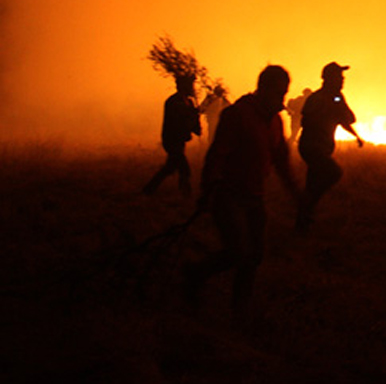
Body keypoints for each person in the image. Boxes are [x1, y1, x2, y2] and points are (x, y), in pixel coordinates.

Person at [182, 65, 301, 318]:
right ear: (263, 89)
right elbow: (217, 155)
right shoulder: (237, 115)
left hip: (254, 197)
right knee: (238, 252)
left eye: (284, 93)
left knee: (255, 255)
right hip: (227, 195)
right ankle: (194, 275)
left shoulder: (275, 122)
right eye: (278, 93)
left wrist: (296, 194)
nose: (281, 100)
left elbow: (281, 160)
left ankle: (239, 310)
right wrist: (208, 190)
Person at [296, 63, 364, 233]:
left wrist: (356, 136)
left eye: (342, 78)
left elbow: (347, 119)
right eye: (339, 78)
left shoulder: (337, 97)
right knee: (334, 172)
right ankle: (306, 204)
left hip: (322, 147)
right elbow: (306, 120)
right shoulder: (317, 98)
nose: (342, 81)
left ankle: (303, 221)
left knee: (312, 183)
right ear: (328, 78)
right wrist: (328, 112)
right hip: (312, 147)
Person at [142, 74, 203, 197]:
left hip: (179, 141)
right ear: (183, 86)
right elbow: (180, 120)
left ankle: (149, 190)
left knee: (171, 167)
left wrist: (195, 119)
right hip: (171, 140)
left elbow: (192, 123)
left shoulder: (188, 102)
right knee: (184, 169)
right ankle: (185, 194)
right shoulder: (174, 102)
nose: (193, 88)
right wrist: (192, 114)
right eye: (190, 85)